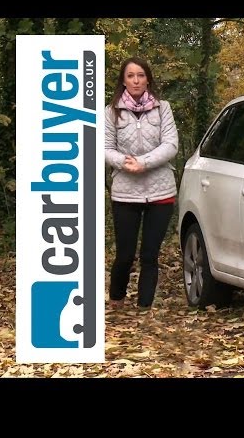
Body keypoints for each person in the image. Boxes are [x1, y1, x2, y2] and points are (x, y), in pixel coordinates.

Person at [104, 57, 178, 309]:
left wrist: (143, 162)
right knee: (125, 255)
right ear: (123, 80)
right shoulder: (111, 111)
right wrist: (125, 162)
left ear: (147, 78)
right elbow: (104, 148)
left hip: (161, 192)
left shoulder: (163, 108)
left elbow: (171, 144)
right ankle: (116, 299)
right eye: (130, 76)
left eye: (141, 75)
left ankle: (144, 307)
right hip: (125, 192)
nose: (136, 80)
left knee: (150, 255)